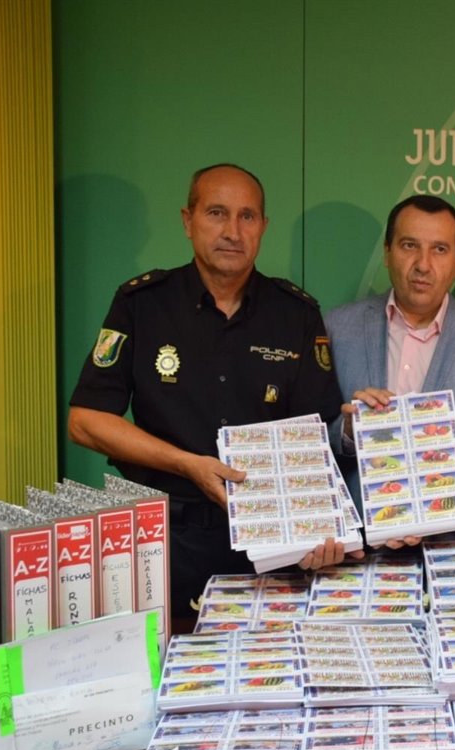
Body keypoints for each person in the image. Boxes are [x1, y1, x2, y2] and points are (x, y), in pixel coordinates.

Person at [68, 163, 357, 624]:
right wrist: (186, 463)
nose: (232, 231)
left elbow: (315, 436)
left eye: (247, 216)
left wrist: (321, 531)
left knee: (268, 664)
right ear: (188, 221)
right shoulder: (142, 304)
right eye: (217, 213)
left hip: (271, 546)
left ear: (263, 227)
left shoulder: (296, 314)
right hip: (166, 540)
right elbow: (86, 421)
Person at [324, 195, 455, 543]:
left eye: (439, 249)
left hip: (448, 541)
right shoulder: (337, 328)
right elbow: (313, 434)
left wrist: (423, 505)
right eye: (409, 245)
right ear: (387, 252)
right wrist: (349, 430)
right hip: (356, 542)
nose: (423, 265)